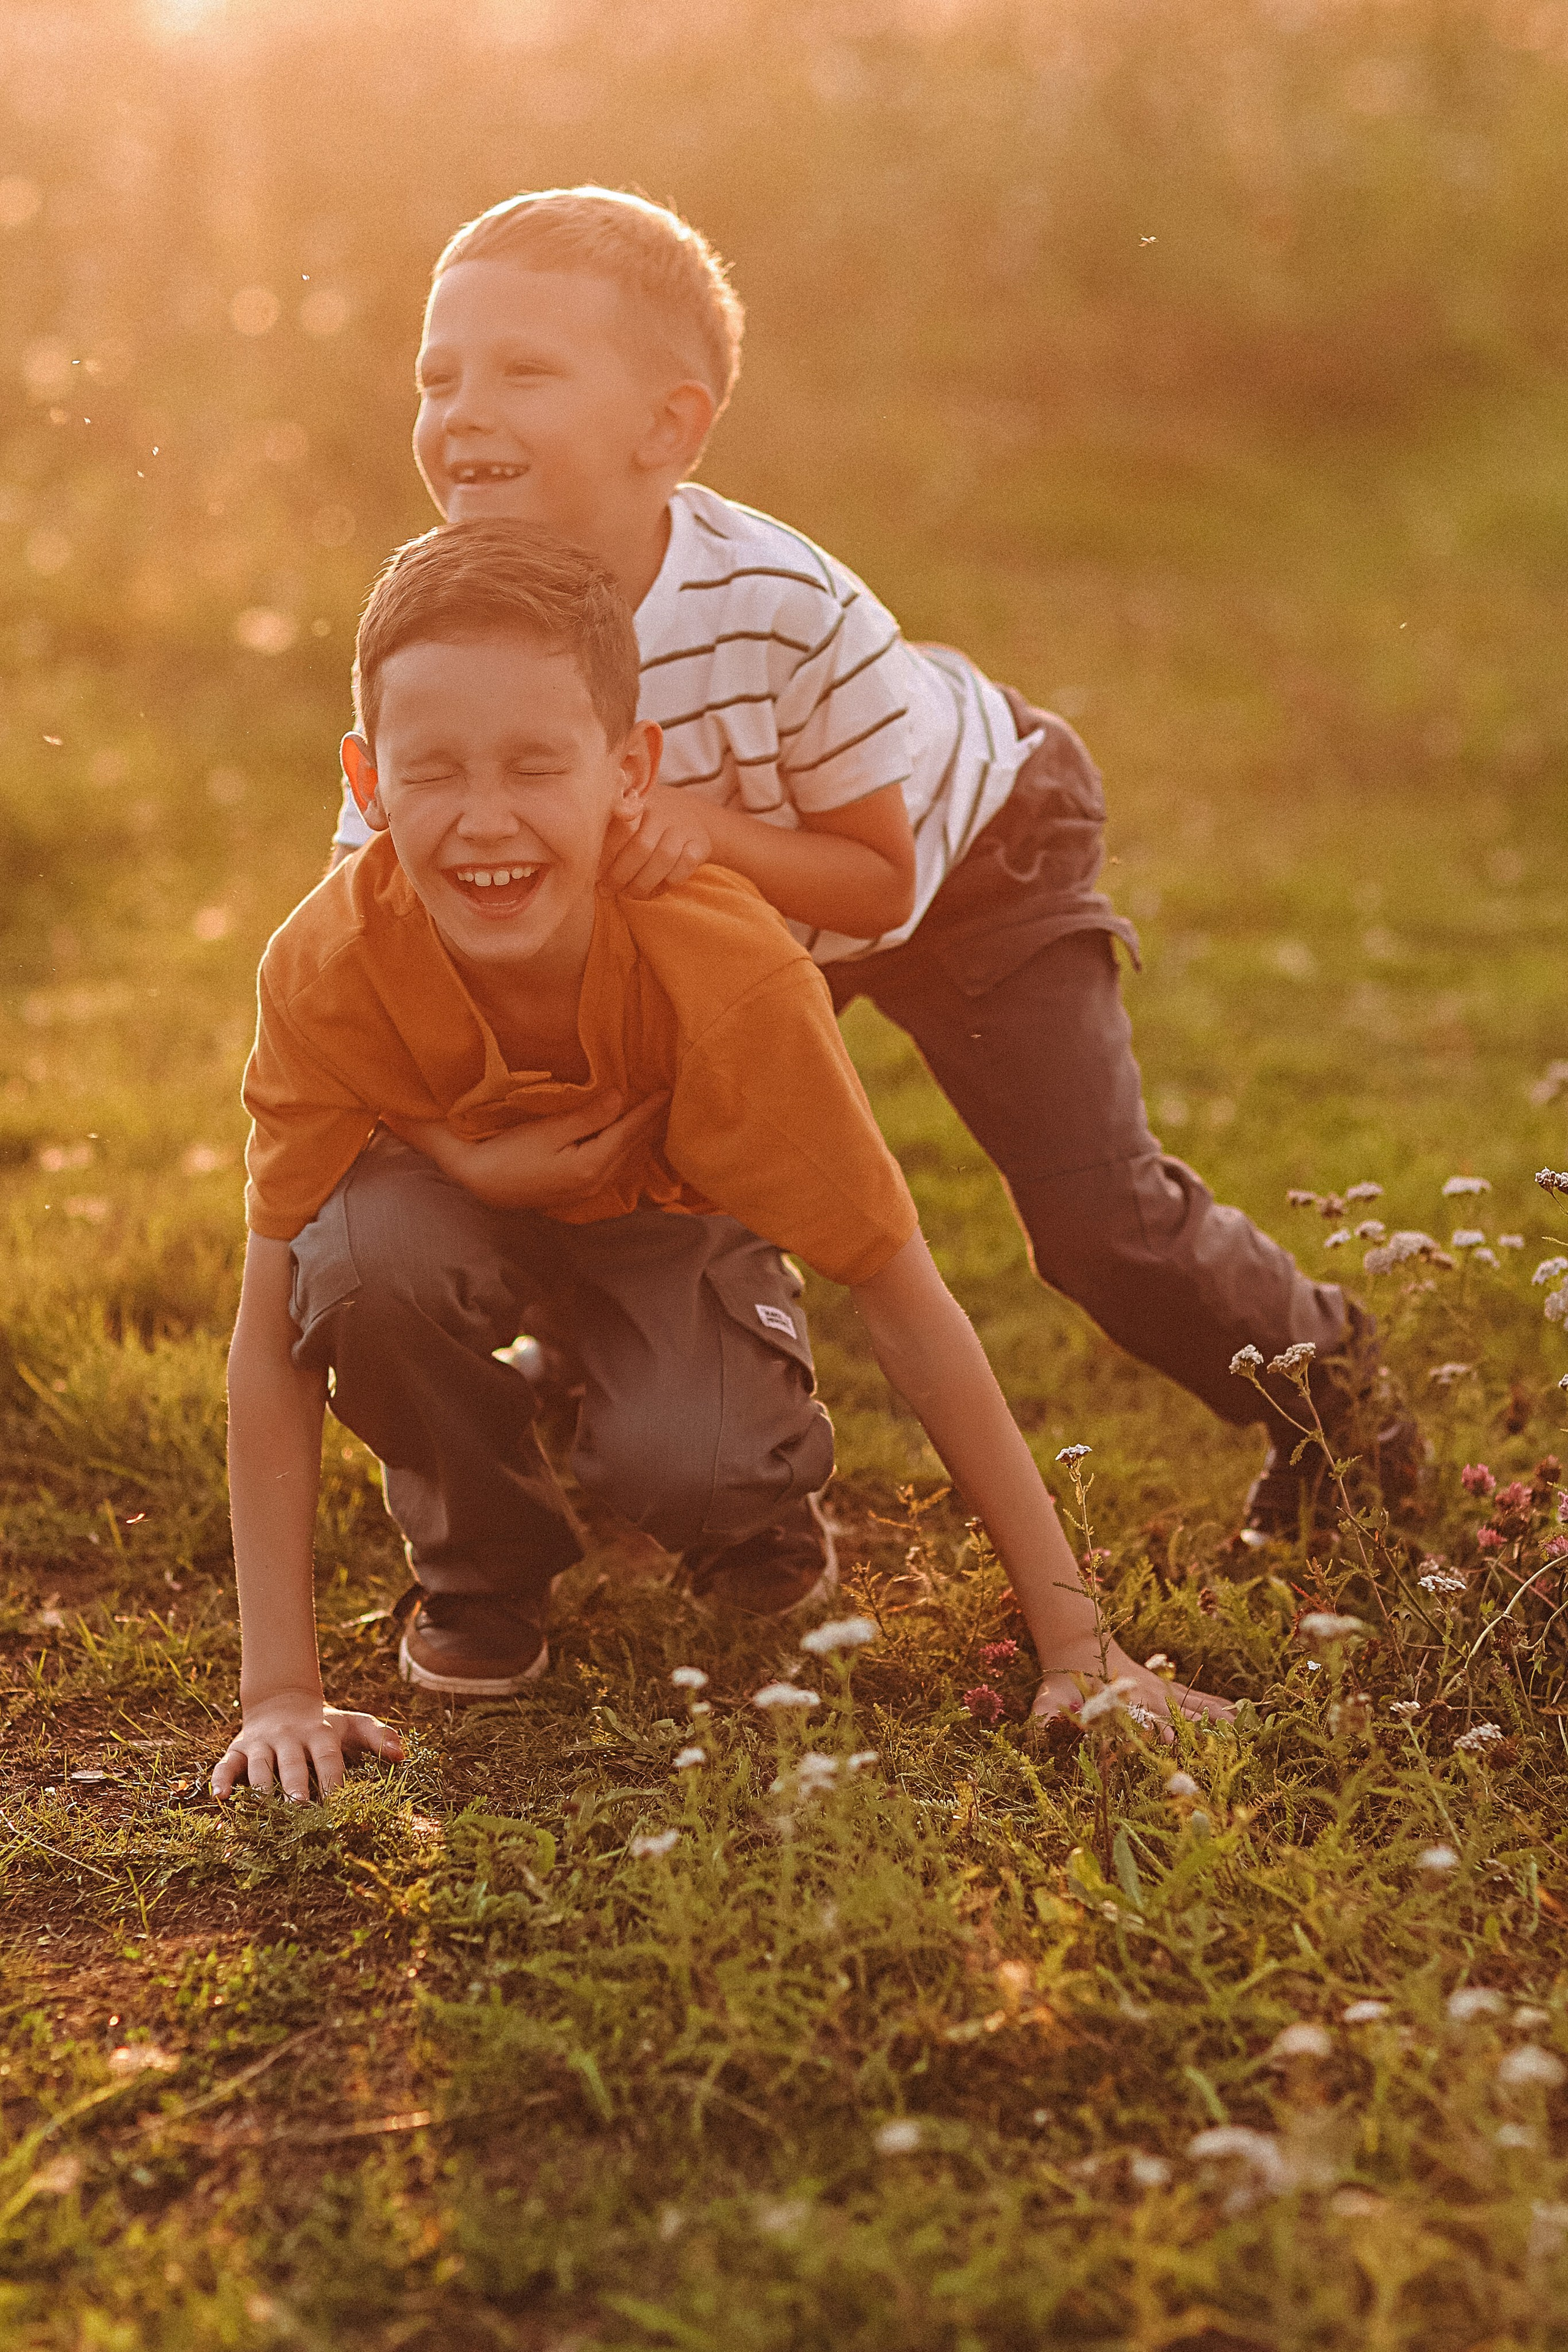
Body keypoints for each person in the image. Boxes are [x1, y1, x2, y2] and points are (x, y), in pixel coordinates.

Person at [328, 185, 1419, 1542]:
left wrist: (706, 836)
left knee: (1094, 1224)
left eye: (522, 372)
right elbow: (380, 929)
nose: (463, 410)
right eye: (439, 375)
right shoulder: (441, 618)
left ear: (667, 429)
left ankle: (1334, 1399)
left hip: (964, 859)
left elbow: (874, 886)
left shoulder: (780, 605)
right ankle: (607, 1361)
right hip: (730, 912)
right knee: (616, 1118)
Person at [214, 522, 1232, 1800]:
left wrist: (1079, 1646)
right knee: (363, 1260)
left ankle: (735, 1479)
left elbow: (903, 1294)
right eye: (434, 771)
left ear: (627, 772)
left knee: (691, 1460)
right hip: (441, 1218)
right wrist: (280, 1693)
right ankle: (481, 1566)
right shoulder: (323, 963)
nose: (484, 819)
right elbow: (268, 1336)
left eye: (536, 764)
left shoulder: (726, 968)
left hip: (669, 1218)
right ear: (366, 781)